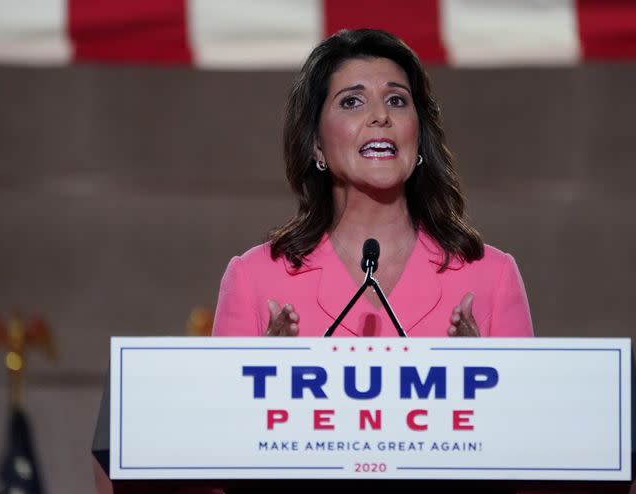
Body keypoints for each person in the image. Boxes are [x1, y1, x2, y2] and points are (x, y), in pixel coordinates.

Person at [212, 29, 533, 339]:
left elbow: (526, 395)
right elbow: (221, 396)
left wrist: (486, 374)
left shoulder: (492, 277)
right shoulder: (254, 280)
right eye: (352, 102)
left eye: (396, 100)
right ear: (316, 144)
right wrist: (259, 375)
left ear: (419, 136)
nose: (380, 115)